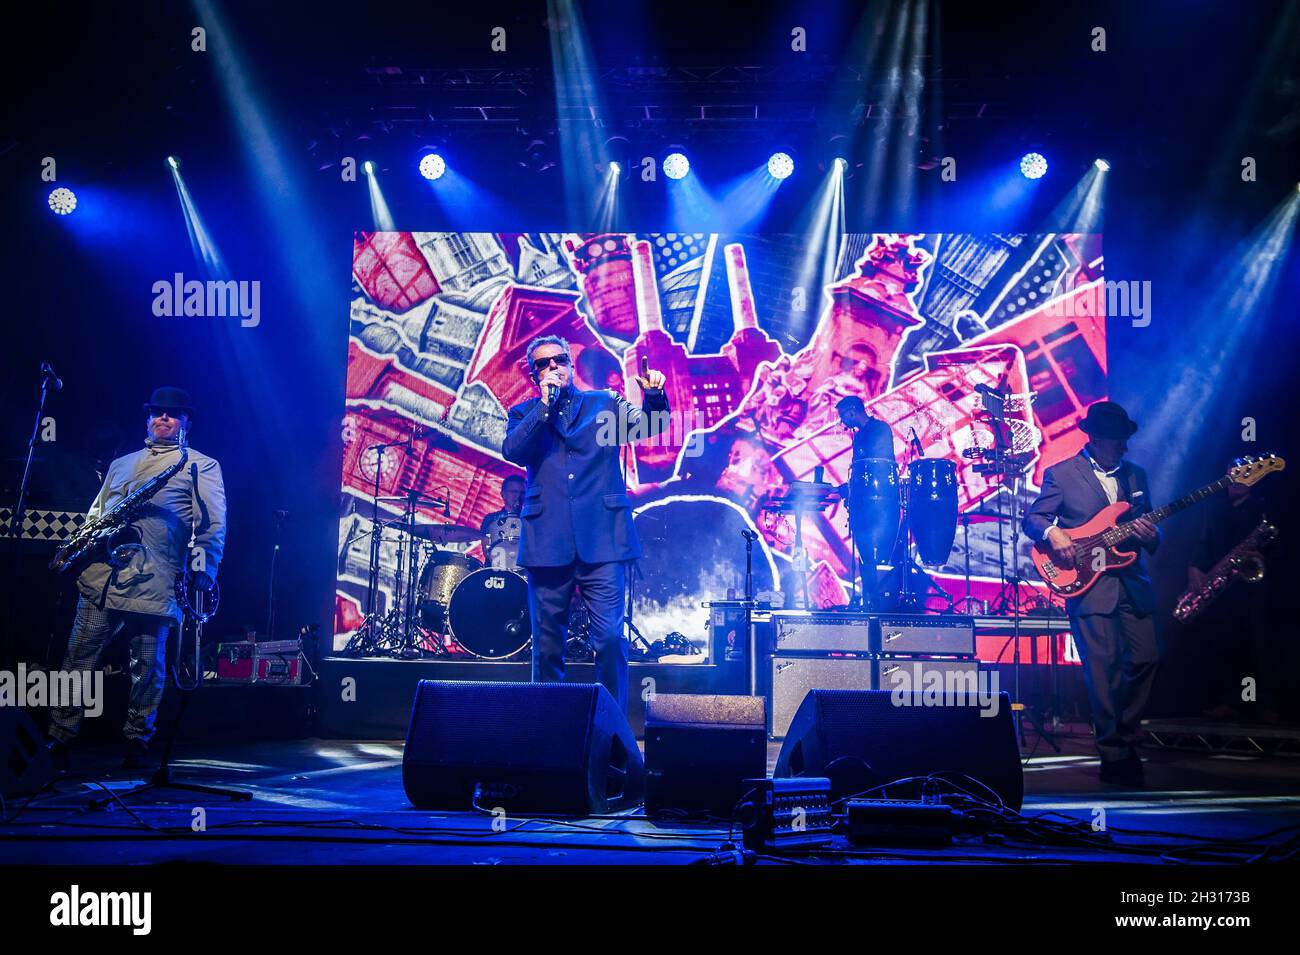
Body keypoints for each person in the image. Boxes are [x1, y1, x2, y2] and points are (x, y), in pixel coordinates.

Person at [45, 387, 226, 770]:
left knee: (147, 666)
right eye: (157, 412)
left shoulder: (199, 465)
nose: (164, 418)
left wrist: (203, 572)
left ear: (186, 423)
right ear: (147, 419)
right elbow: (97, 512)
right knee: (76, 660)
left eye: (173, 414)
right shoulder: (122, 463)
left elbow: (211, 526)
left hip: (155, 580)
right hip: (102, 578)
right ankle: (58, 737)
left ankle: (136, 741)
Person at [502, 336, 667, 708]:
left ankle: (610, 734)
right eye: (543, 364)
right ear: (535, 375)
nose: (553, 367)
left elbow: (650, 427)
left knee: (609, 639)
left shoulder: (603, 405)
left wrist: (655, 395)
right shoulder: (524, 415)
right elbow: (514, 451)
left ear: (571, 364)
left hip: (604, 542)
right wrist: (544, 407)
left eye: (559, 360)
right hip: (547, 543)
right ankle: (551, 733)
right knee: (547, 649)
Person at [1023, 400, 1159, 785]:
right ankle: (1114, 751)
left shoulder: (1136, 477)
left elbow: (1144, 527)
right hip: (1087, 584)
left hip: (1132, 582)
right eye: (1118, 441)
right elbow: (1033, 519)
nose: (1124, 448)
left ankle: (1127, 731)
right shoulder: (1062, 474)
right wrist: (1054, 533)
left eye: (1126, 440)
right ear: (1096, 438)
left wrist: (1152, 535)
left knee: (1149, 658)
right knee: (1104, 671)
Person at [836, 395, 897, 609]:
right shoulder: (859, 436)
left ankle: (879, 601)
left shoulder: (879, 429)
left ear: (852, 412)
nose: (843, 422)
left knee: (877, 552)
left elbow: (878, 465)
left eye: (843, 416)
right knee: (865, 554)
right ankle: (869, 599)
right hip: (864, 501)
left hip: (878, 502)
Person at [480, 474, 525, 569]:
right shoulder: (491, 519)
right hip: (496, 569)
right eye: (514, 492)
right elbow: (486, 550)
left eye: (522, 493)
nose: (518, 496)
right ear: (503, 494)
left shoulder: (530, 520)